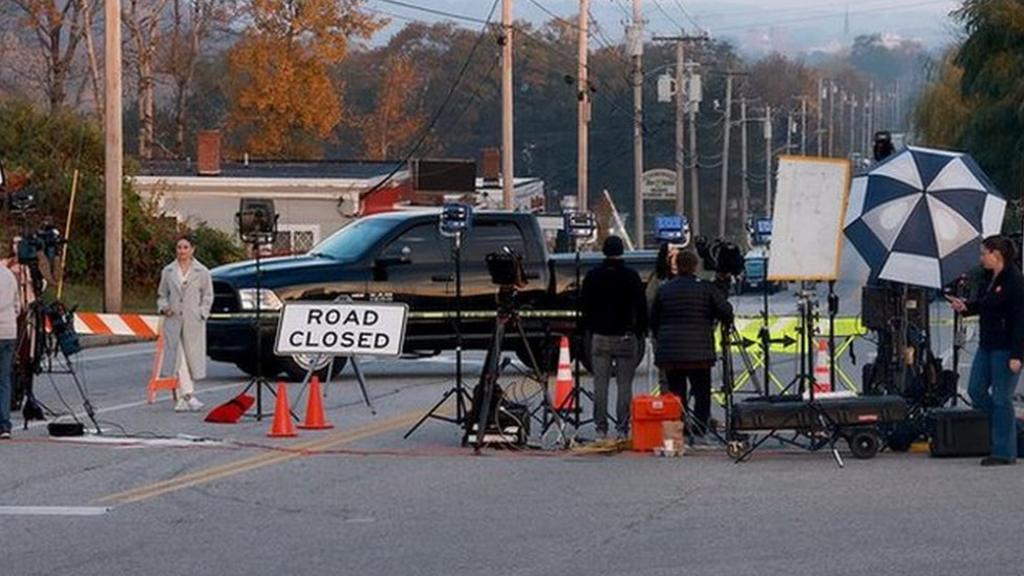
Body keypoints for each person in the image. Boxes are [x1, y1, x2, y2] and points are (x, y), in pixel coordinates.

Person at [948, 235, 1024, 466]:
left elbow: (1020, 320)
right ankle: (1013, 427)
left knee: (1002, 398)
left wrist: (1017, 354)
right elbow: (987, 305)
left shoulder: (1015, 281)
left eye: (984, 254)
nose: (981, 258)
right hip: (987, 344)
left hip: (1005, 347)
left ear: (996, 255)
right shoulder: (991, 278)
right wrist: (966, 308)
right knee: (976, 390)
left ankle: (1003, 451)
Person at [651, 250, 734, 439]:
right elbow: (725, 311)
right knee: (702, 394)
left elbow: (654, 320)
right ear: (695, 266)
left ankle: (679, 426)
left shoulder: (665, 289)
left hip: (671, 353)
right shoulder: (705, 288)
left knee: (676, 393)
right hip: (699, 354)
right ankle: (700, 428)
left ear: (677, 266)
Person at [581, 235, 647, 440]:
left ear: (604, 251)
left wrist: (589, 329)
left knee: (600, 384)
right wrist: (640, 330)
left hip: (600, 336)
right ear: (622, 251)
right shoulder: (631, 276)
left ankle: (601, 427)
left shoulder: (593, 276)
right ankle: (622, 427)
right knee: (624, 384)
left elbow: (585, 306)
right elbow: (641, 307)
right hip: (626, 336)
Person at [157, 235, 214, 412]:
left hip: (193, 320)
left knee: (191, 358)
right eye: (179, 247)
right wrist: (164, 308)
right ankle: (189, 395)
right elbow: (162, 294)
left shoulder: (202, 271)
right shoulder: (168, 271)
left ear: (192, 249)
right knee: (178, 357)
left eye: (185, 247)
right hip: (174, 320)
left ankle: (183, 398)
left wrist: (202, 313)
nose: (182, 251)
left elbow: (208, 295)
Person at [0, 246, 20, 439]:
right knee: (4, 380)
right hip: (9, 332)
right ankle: (4, 425)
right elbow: (18, 306)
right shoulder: (10, 276)